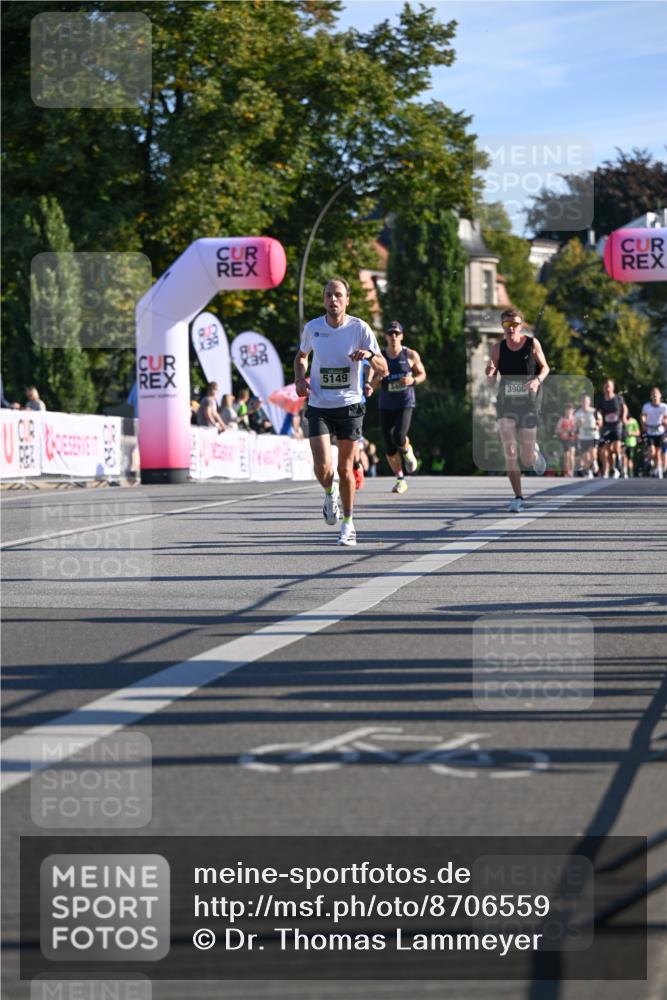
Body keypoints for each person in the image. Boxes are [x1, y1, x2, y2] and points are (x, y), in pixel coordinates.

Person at [295, 277, 387, 546]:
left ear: (347, 299)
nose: (333, 300)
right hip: (320, 404)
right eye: (328, 295)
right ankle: (328, 491)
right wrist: (300, 379)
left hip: (350, 404)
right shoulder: (313, 328)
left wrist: (368, 355)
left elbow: (382, 366)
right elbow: (301, 356)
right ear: (324, 300)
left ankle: (348, 524)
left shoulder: (360, 328)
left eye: (338, 295)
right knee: (323, 467)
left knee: (345, 468)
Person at [485, 308, 549, 512]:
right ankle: (518, 497)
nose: (510, 328)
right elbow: (491, 374)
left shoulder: (532, 344)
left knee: (527, 459)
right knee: (510, 451)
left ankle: (535, 455)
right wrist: (490, 372)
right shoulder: (497, 348)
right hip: (506, 404)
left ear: (521, 326)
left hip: (529, 403)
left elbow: (545, 367)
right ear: (502, 326)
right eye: (506, 325)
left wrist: (537, 380)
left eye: (514, 324)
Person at [365, 320, 426, 495]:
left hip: (405, 402)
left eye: (396, 333)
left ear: (401, 336)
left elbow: (422, 374)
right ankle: (400, 479)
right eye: (390, 333)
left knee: (399, 436)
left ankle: (408, 451)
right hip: (386, 404)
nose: (393, 336)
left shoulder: (410, 355)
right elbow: (373, 379)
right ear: (385, 336)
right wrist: (370, 385)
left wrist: (412, 380)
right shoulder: (380, 357)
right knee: (389, 446)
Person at [598, 379, 627, 478]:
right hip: (606, 427)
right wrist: (599, 420)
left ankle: (618, 464)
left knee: (616, 447)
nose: (607, 388)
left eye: (609, 386)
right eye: (605, 386)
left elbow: (624, 408)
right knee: (604, 450)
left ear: (613, 387)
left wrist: (624, 417)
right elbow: (597, 412)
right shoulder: (601, 400)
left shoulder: (618, 398)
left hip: (617, 426)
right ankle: (607, 470)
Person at [641, 386, 667, 479]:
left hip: (660, 431)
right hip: (650, 431)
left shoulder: (664, 407)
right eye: (653, 394)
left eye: (656, 393)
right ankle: (651, 462)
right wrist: (644, 423)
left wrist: (665, 431)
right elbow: (643, 416)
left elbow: (665, 418)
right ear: (651, 396)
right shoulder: (646, 406)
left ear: (660, 395)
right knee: (652, 451)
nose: (655, 395)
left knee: (659, 452)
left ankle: (659, 469)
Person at [574, 393, 600, 478]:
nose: (584, 403)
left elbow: (600, 420)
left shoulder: (593, 411)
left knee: (592, 453)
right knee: (585, 456)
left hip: (593, 435)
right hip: (583, 436)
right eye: (583, 401)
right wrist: (578, 423)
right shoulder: (578, 413)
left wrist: (597, 425)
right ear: (581, 402)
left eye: (586, 401)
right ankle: (588, 471)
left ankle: (594, 461)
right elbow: (574, 425)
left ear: (589, 402)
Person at [555, 403, 577, 477]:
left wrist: (573, 431)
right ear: (565, 411)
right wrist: (564, 430)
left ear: (573, 411)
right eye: (567, 410)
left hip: (573, 439)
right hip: (565, 440)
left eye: (570, 410)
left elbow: (578, 429)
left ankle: (572, 471)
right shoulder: (562, 419)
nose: (569, 411)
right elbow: (556, 430)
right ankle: (567, 471)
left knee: (572, 455)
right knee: (567, 456)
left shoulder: (575, 419)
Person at [623, 411, 640, 478]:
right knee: (623, 457)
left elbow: (638, 432)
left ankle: (630, 472)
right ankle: (624, 471)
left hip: (631, 443)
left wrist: (631, 433)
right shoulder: (622, 421)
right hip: (623, 442)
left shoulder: (633, 421)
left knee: (630, 458)